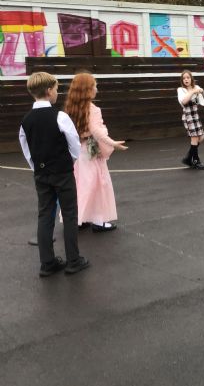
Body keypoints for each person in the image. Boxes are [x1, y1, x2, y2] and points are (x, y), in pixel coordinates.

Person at [19, 72, 90, 276]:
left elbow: (27, 150)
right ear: (49, 91)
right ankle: (73, 260)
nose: (57, 92)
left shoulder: (25, 121)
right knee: (69, 214)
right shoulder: (60, 116)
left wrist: (37, 168)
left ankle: (47, 263)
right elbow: (74, 146)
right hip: (62, 172)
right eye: (57, 89)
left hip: (41, 175)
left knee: (44, 215)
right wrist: (68, 163)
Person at [64, 72, 128, 232]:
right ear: (87, 89)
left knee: (80, 185)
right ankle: (98, 221)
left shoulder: (71, 108)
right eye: (94, 86)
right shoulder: (92, 109)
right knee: (98, 184)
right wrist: (113, 143)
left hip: (78, 151)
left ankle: (80, 218)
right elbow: (96, 131)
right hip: (91, 151)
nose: (96, 89)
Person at [177, 70, 204, 169]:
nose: (186, 79)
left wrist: (202, 91)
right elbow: (184, 101)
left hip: (195, 115)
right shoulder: (181, 90)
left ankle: (188, 157)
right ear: (182, 80)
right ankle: (196, 161)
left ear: (191, 79)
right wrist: (192, 91)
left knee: (201, 137)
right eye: (184, 78)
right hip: (188, 116)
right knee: (194, 138)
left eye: (188, 77)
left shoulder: (196, 87)